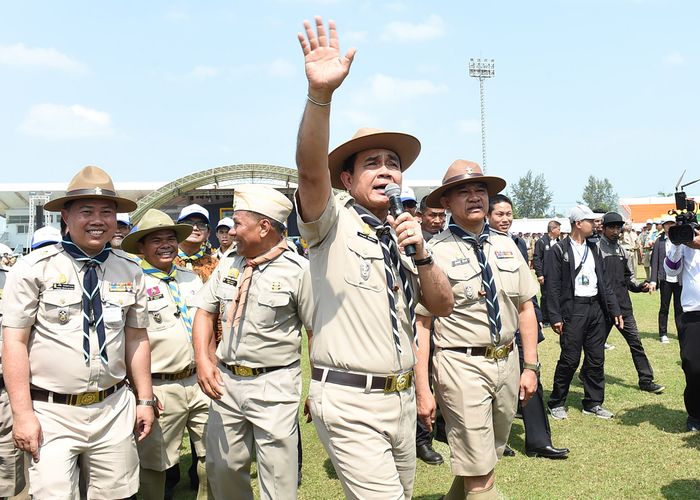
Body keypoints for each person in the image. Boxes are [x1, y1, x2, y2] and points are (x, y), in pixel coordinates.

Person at [295, 16, 453, 499]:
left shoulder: (407, 233)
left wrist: (423, 255)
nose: (386, 172)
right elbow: (308, 168)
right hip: (349, 400)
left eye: (394, 164)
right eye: (371, 164)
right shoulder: (330, 220)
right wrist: (321, 97)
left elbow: (442, 305)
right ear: (346, 179)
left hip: (402, 399)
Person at [1, 166, 154, 498]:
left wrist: (144, 399)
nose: (97, 220)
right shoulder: (34, 269)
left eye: (107, 212)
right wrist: (22, 413)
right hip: (51, 412)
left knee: (117, 493)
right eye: (86, 211)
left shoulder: (130, 270)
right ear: (65, 218)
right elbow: (14, 342)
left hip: (112, 409)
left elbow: (136, 338)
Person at [413, 161, 538, 500]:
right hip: (460, 365)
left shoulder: (508, 245)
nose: (473, 197)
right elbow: (421, 325)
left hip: (507, 363)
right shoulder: (433, 253)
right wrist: (423, 389)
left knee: (485, 457)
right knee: (480, 471)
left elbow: (526, 307)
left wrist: (531, 367)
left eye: (480, 190)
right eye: (463, 192)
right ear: (447, 203)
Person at [193, 185, 313, 499]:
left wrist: (317, 388)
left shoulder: (299, 271)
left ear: (264, 227)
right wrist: (204, 362)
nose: (231, 232)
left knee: (278, 476)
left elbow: (316, 332)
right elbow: (204, 313)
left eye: (238, 224)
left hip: (274, 384)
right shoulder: (229, 263)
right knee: (224, 469)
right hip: (226, 383)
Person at [119, 209, 210, 499]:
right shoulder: (132, 282)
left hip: (199, 382)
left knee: (215, 457)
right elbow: (124, 340)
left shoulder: (191, 279)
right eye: (156, 240)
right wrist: (139, 391)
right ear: (142, 248)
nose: (166, 244)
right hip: (158, 387)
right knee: (154, 466)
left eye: (170, 238)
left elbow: (206, 326)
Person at [488, 194, 569, 460]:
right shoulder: (480, 244)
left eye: (508, 214)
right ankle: (496, 441)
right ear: (488, 216)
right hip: (495, 329)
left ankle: (538, 440)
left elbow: (526, 292)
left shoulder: (518, 243)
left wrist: (534, 320)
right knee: (496, 386)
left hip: (522, 323)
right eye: (499, 214)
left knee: (531, 375)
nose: (505, 219)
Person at [546, 205, 622, 420]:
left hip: (596, 309)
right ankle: (557, 401)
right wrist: (555, 316)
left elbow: (605, 282)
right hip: (573, 310)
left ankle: (593, 402)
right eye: (591, 221)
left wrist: (614, 309)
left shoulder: (594, 248)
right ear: (578, 223)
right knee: (570, 359)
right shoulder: (558, 250)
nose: (596, 224)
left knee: (596, 358)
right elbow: (552, 287)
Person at [595, 212, 665, 394]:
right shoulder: (595, 250)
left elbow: (629, 279)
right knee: (594, 347)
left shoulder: (623, 251)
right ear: (603, 228)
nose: (615, 231)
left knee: (636, 343)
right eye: (611, 227)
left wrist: (640, 286)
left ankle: (646, 379)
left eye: (618, 227)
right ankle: (588, 374)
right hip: (602, 308)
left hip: (623, 308)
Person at [664, 226, 700, 431]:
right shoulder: (685, 246)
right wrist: (678, 244)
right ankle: (695, 415)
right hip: (693, 314)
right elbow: (670, 270)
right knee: (693, 367)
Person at [650, 215, 683, 343]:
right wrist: (653, 280)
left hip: (679, 279)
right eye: (667, 224)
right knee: (664, 307)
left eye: (671, 224)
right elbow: (655, 261)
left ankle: (681, 332)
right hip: (665, 279)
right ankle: (663, 333)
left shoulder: (681, 240)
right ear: (663, 226)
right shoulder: (660, 241)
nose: (669, 226)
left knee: (679, 307)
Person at [174, 204, 218, 283]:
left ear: (208, 233)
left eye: (201, 225)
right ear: (178, 229)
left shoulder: (216, 265)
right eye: (188, 223)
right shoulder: (165, 261)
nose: (195, 228)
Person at [532, 220, 561, 325]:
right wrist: (539, 274)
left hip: (557, 275)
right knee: (546, 296)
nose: (560, 231)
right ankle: (545, 319)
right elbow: (537, 259)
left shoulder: (559, 242)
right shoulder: (542, 242)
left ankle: (557, 317)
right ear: (553, 229)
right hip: (546, 275)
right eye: (558, 229)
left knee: (557, 295)